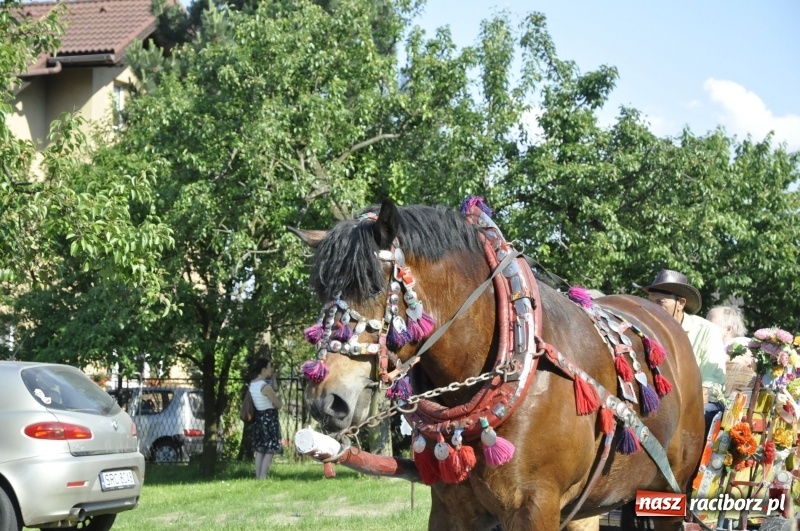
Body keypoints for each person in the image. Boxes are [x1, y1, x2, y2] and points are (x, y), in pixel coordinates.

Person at [634, 269, 727, 431]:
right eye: (649, 302)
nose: (651, 309)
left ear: (681, 303)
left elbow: (710, 385)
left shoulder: (706, 331)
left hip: (694, 406)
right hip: (656, 406)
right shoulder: (644, 330)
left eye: (660, 303)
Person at [249, 358, 282, 479]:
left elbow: (275, 388)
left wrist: (272, 377)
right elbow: (278, 404)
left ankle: (258, 477)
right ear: (263, 369)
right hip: (269, 418)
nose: (271, 369)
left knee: (260, 448)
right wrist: (276, 400)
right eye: (269, 367)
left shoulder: (253, 384)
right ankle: (263, 476)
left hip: (259, 417)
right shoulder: (265, 387)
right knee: (270, 449)